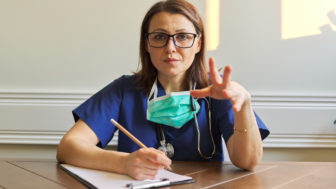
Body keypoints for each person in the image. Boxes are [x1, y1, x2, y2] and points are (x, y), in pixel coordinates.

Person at [56, 0, 269, 180]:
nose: (170, 48)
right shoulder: (123, 90)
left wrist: (244, 106)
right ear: (146, 44)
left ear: (198, 44)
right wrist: (124, 163)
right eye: (159, 37)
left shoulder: (218, 90)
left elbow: (248, 162)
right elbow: (68, 148)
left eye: (183, 36)